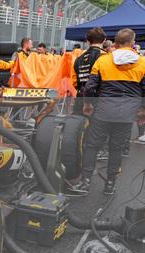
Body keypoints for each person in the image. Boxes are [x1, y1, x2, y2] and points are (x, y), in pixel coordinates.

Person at [69, 29, 145, 196]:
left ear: (115, 44)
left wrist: (87, 104)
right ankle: (110, 184)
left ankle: (85, 182)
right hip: (126, 113)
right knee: (116, 148)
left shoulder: (103, 61)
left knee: (92, 145)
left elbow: (90, 87)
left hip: (103, 110)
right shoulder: (142, 62)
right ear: (132, 44)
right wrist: (143, 112)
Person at [71, 27, 106, 116]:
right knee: (96, 128)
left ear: (88, 41)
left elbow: (74, 81)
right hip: (98, 98)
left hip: (80, 96)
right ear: (104, 40)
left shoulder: (78, 59)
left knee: (78, 127)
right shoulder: (105, 57)